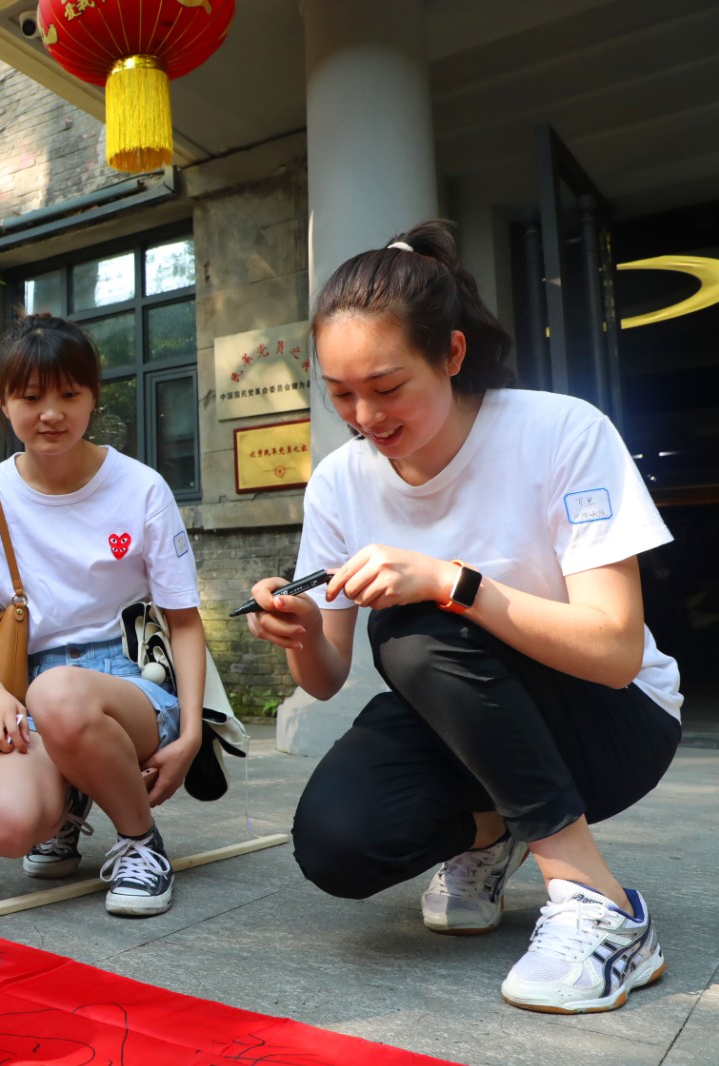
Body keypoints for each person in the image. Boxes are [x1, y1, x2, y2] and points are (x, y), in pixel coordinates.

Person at [245, 221, 682, 1014]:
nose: (365, 416)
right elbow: (327, 677)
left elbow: (617, 651)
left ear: (450, 353)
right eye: (340, 392)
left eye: (387, 387)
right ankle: (496, 830)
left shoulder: (561, 432)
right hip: (462, 716)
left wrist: (451, 580)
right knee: (338, 844)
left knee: (414, 625)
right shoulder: (340, 482)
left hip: (614, 719)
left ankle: (599, 903)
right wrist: (301, 630)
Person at [0, 315, 206, 918]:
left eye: (69, 395)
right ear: (4, 403)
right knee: (7, 826)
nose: (50, 414)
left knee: (58, 695)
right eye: (30, 398)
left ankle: (141, 843)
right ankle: (70, 799)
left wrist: (190, 734)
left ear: (93, 397)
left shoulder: (141, 488)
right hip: (35, 695)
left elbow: (184, 621)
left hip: (134, 684)